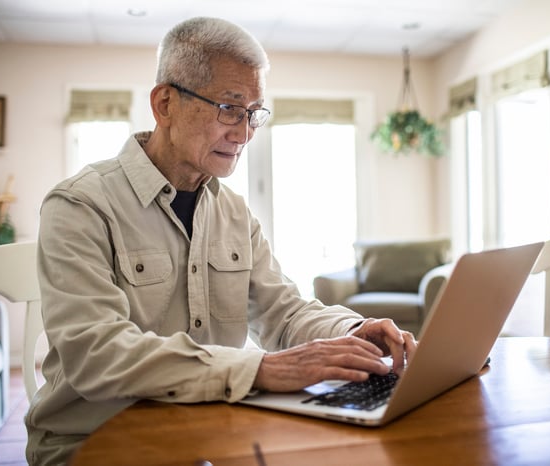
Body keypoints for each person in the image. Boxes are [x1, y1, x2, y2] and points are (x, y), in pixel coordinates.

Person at [25, 16, 416, 465]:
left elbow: (282, 313)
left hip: (205, 436)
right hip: (93, 446)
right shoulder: (79, 206)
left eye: (253, 113)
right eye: (229, 108)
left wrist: (351, 332)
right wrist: (261, 369)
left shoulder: (233, 211)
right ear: (165, 104)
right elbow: (97, 354)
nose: (245, 132)